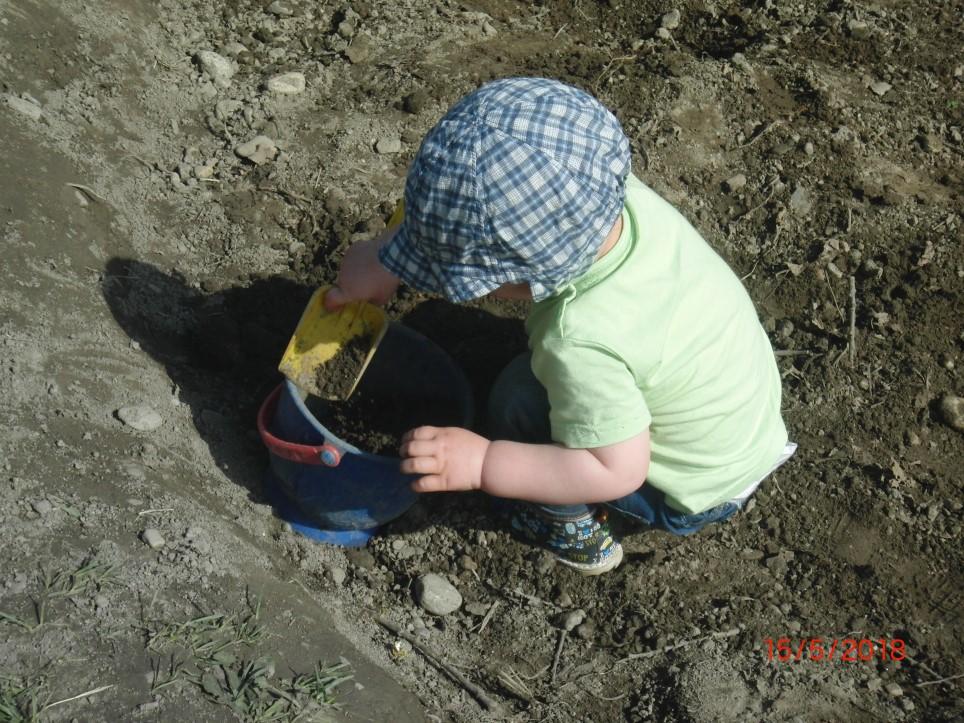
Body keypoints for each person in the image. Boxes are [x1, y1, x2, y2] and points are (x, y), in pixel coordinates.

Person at [324, 77, 795, 575]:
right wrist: (383, 259)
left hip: (688, 486)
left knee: (516, 400)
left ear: (518, 277)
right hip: (739, 419)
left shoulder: (579, 340)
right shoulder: (600, 196)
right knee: (536, 382)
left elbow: (614, 469)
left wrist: (483, 463)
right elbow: (475, 211)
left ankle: (569, 528)